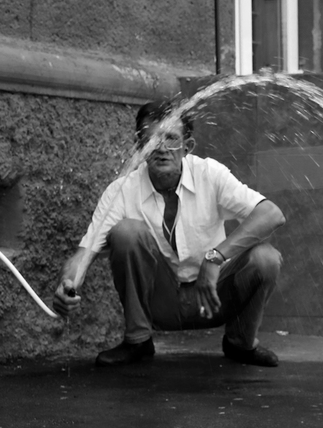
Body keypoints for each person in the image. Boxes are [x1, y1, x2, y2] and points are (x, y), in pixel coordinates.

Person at [53, 99, 285, 367]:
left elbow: (272, 214)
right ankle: (137, 340)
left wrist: (215, 257)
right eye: (151, 140)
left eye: (171, 139)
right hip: (161, 302)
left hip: (212, 296)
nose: (161, 148)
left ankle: (241, 344)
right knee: (127, 232)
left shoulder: (209, 174)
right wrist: (67, 285)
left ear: (188, 147)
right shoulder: (122, 190)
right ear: (140, 146)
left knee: (265, 258)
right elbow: (85, 252)